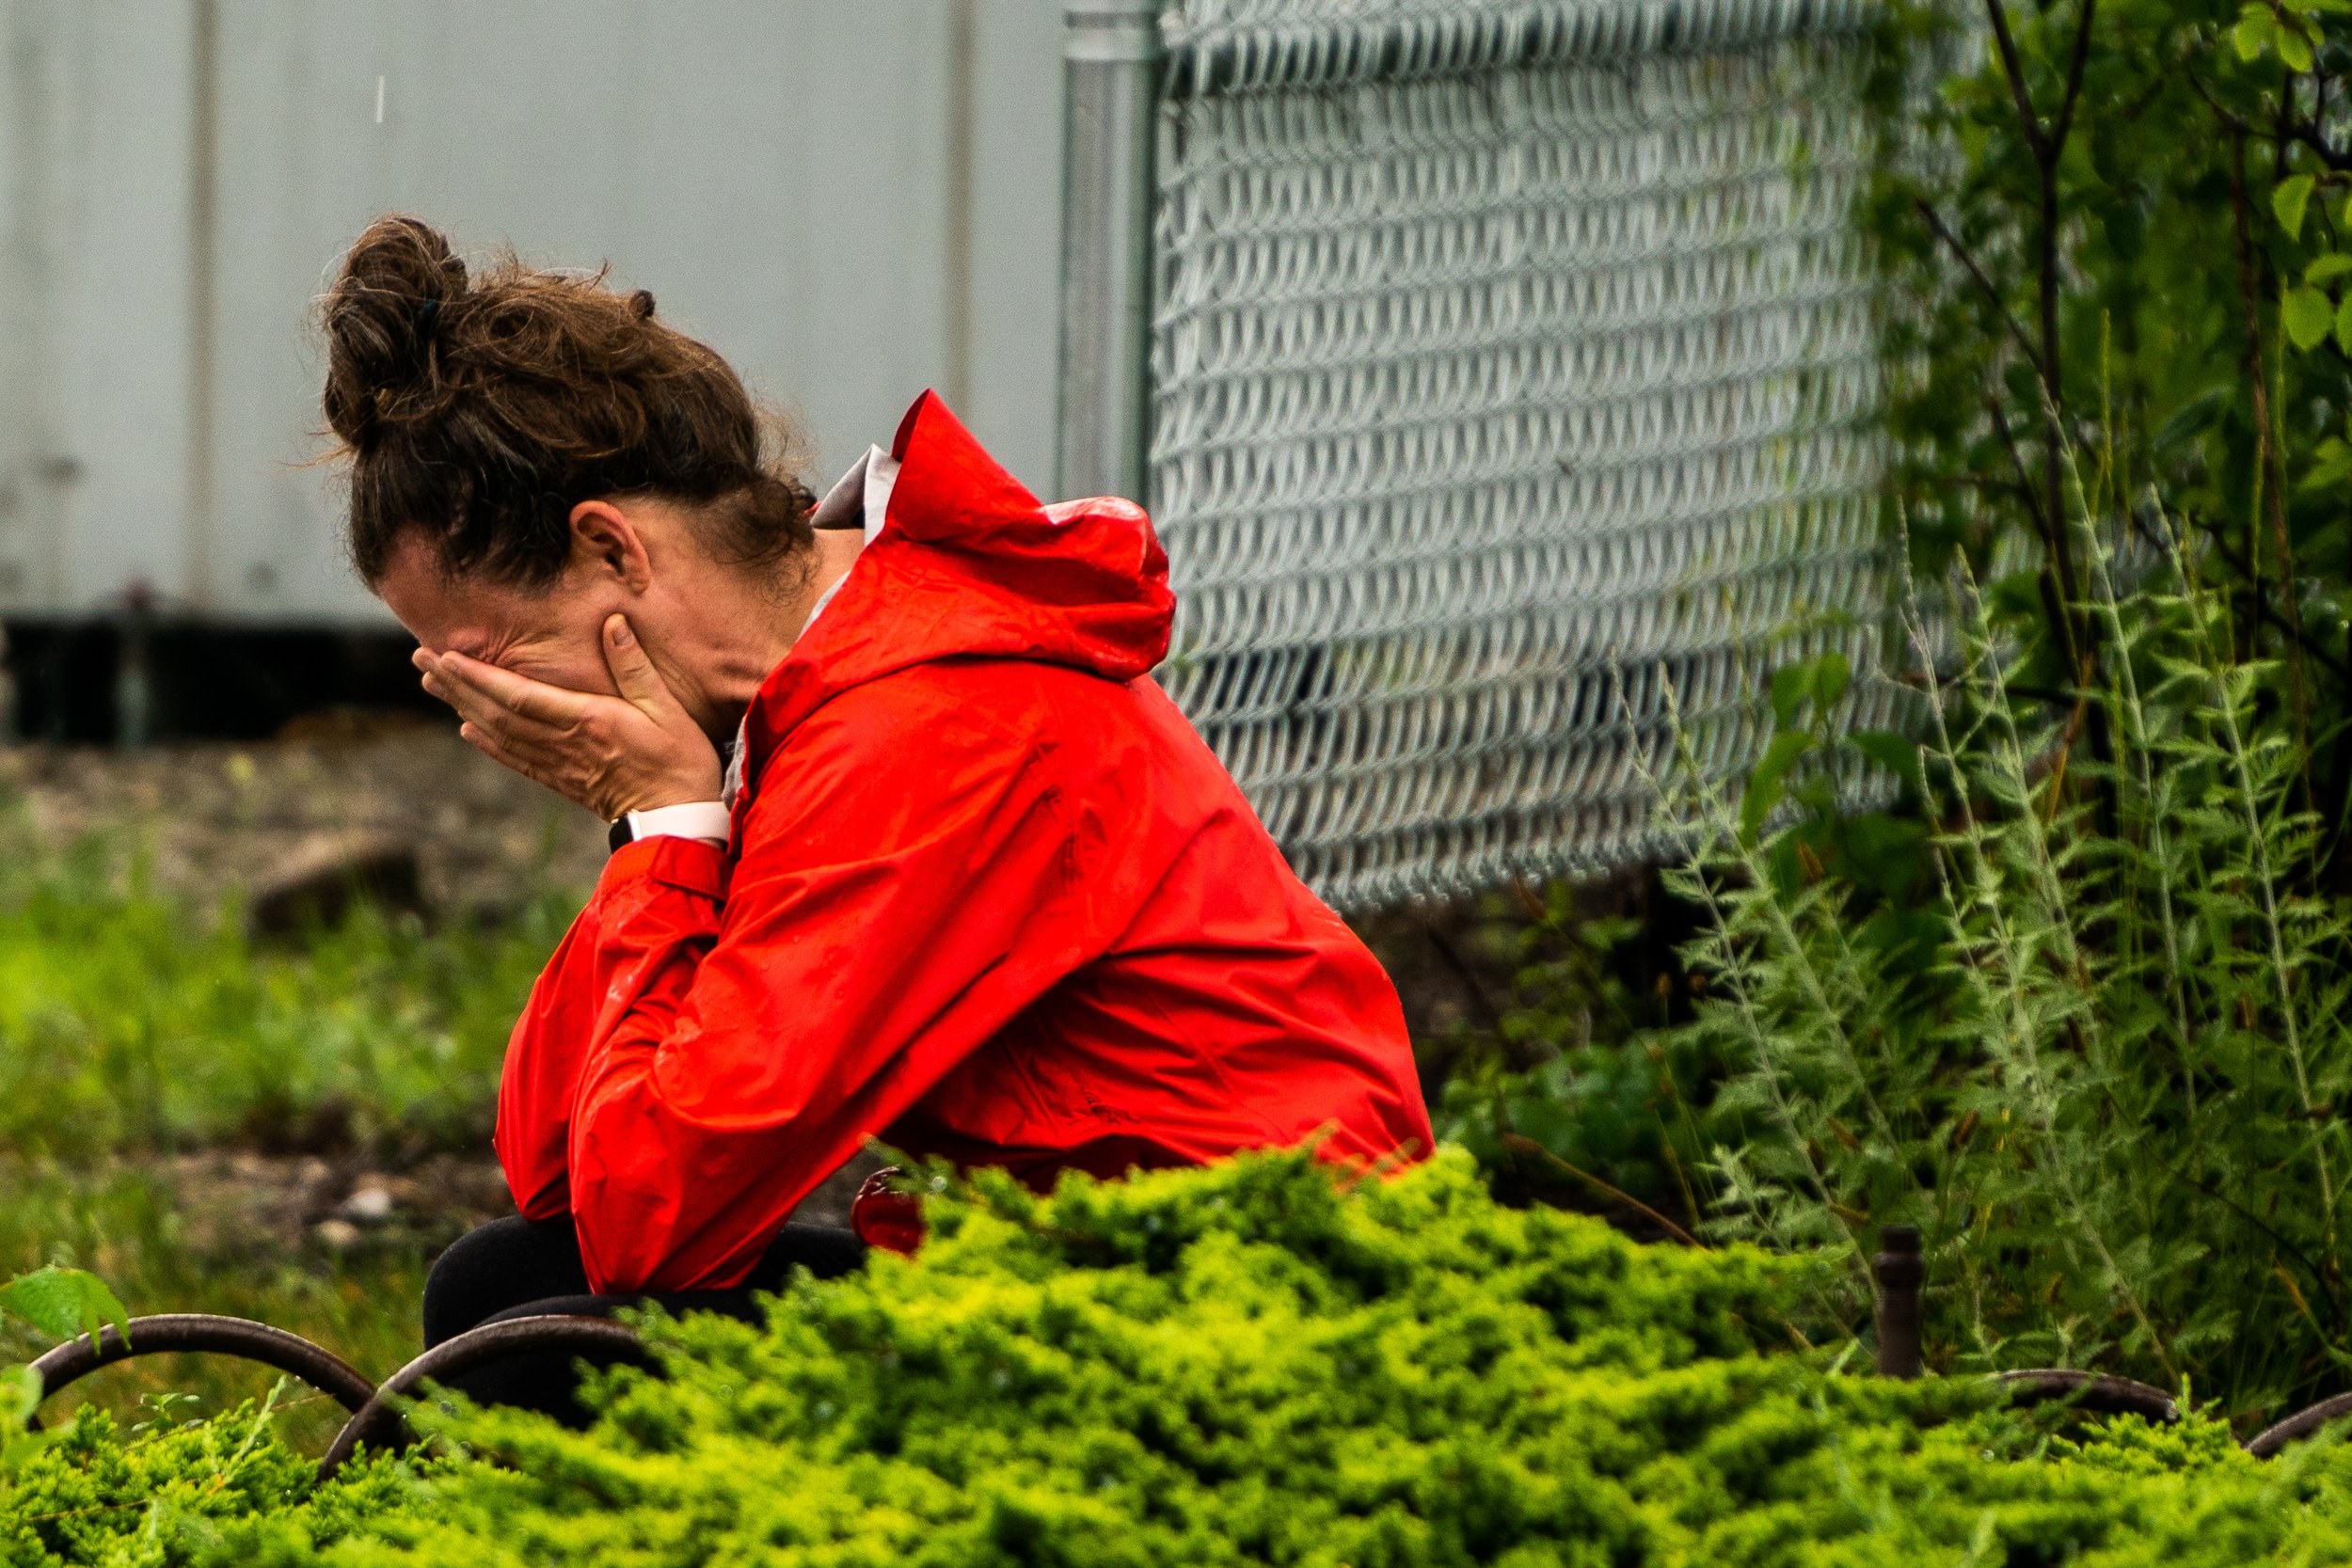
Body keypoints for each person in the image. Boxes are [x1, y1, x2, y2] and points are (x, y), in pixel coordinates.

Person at [318, 214, 1433, 1412]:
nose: (500, 707)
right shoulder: (796, 695)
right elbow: (557, 1169)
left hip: (1260, 1318)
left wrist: (662, 819)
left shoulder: (925, 722)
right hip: (1077, 1270)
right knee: (509, 1287)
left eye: (499, 656)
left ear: (612, 549)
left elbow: (654, 1218)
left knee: (539, 1347)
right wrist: (652, 824)